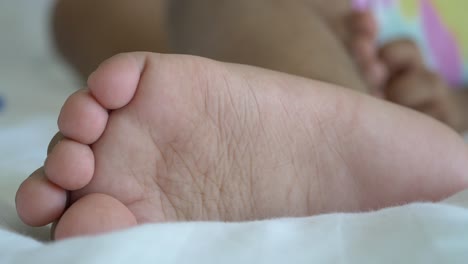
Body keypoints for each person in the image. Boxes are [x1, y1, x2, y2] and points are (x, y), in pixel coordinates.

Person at [16, 0, 468, 240]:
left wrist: (444, 99)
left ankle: (334, 125)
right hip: (233, 49)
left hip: (401, 102)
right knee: (86, 13)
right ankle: (322, 126)